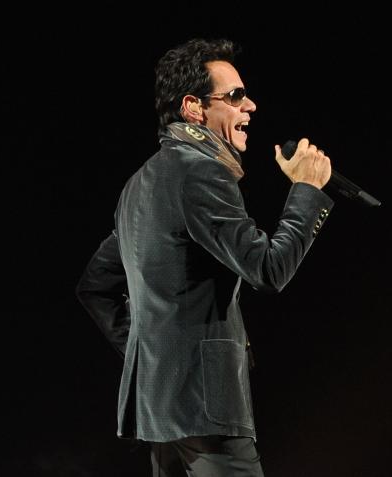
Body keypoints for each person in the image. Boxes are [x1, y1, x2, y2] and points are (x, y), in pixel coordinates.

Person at [75, 38, 334, 477]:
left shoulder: (139, 183)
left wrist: (156, 358)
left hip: (159, 414)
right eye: (234, 97)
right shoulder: (201, 171)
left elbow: (95, 288)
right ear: (194, 107)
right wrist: (306, 191)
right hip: (207, 412)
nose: (249, 105)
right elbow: (268, 270)